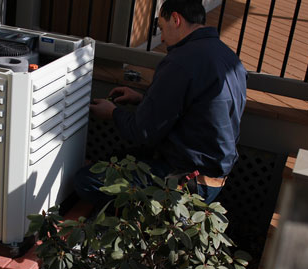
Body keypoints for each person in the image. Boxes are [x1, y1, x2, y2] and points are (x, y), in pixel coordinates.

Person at [75, 0, 247, 206]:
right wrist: (142, 99)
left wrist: (112, 113)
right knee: (117, 157)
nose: (162, 38)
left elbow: (143, 132)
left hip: (186, 181)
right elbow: (196, 108)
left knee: (85, 181)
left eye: (162, 28)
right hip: (214, 176)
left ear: (176, 19)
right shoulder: (228, 57)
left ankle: (127, 225)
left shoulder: (182, 60)